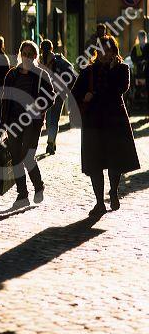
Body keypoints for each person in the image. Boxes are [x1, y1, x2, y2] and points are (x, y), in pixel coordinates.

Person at [72, 35, 140, 215]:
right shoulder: (88, 72)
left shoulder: (122, 69)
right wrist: (84, 96)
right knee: (95, 164)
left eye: (108, 50)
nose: (105, 54)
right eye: (101, 50)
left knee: (114, 161)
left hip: (114, 122)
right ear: (97, 51)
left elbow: (120, 89)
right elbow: (74, 93)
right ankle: (99, 202)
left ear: (114, 52)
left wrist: (110, 71)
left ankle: (114, 191)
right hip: (93, 123)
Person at [0, 40, 55, 208]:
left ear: (35, 57)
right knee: (16, 158)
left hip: (33, 122)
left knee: (27, 155)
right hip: (13, 122)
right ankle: (22, 194)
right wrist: (3, 123)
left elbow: (50, 97)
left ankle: (39, 186)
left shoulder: (41, 74)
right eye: (25, 54)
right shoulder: (12, 74)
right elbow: (5, 99)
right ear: (20, 54)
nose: (27, 57)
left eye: (31, 54)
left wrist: (38, 107)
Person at [40, 39, 76, 154]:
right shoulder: (59, 60)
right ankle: (51, 142)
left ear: (41, 48)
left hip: (45, 94)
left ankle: (51, 141)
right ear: (52, 48)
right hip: (59, 93)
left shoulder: (39, 60)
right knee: (54, 119)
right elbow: (72, 73)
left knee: (49, 118)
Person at [131, 30, 147, 100]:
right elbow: (133, 57)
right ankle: (138, 100)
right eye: (140, 37)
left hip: (146, 71)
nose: (142, 39)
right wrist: (139, 61)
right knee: (138, 86)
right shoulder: (136, 47)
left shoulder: (147, 46)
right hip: (138, 71)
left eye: (143, 37)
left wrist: (145, 61)